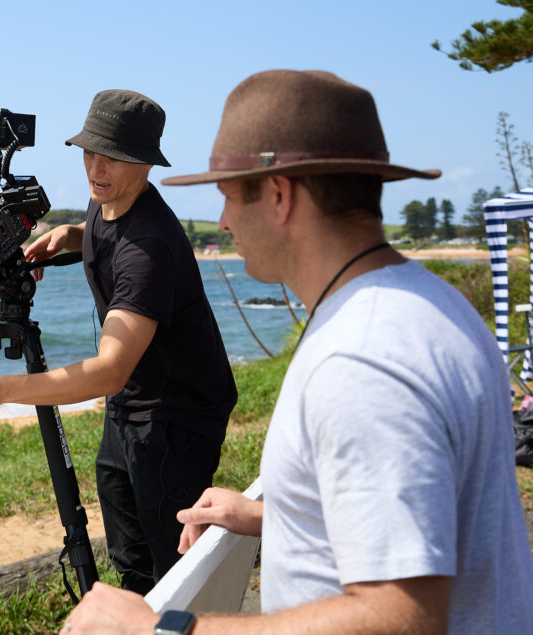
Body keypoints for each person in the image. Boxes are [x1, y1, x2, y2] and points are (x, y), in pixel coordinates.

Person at [61, 70, 533, 634]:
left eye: (231, 196)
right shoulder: (432, 304)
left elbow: (406, 617)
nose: (225, 222)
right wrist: (272, 517)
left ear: (280, 195)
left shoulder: (362, 360)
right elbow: (427, 522)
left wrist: (165, 629)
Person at [0, 89, 238, 594]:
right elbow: (104, 229)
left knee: (172, 567)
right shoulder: (111, 200)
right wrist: (72, 235)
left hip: (176, 417)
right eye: (89, 152)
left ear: (144, 163)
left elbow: (110, 369)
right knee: (127, 554)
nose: (96, 167)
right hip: (131, 409)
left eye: (113, 157)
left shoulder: (149, 248)